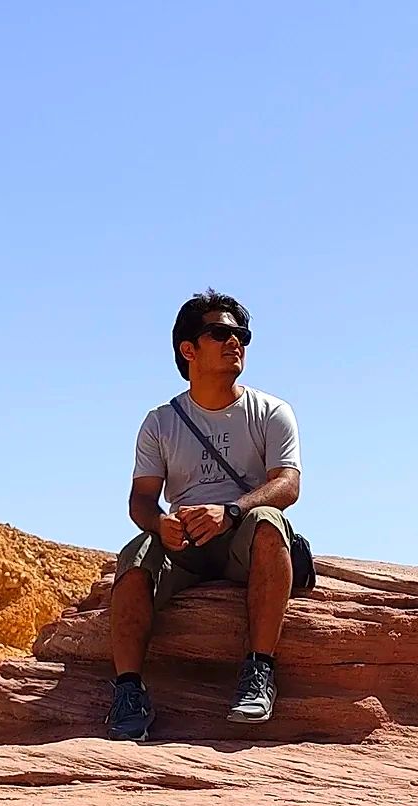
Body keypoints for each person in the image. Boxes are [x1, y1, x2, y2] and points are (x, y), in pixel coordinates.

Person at [105, 291, 303, 740]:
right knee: (135, 556)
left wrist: (231, 511)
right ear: (188, 349)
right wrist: (160, 526)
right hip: (184, 545)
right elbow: (140, 502)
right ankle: (129, 692)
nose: (235, 342)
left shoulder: (272, 412)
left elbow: (287, 486)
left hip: (243, 537)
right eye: (220, 333)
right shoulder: (161, 421)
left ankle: (259, 672)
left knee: (270, 523)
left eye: (241, 335)